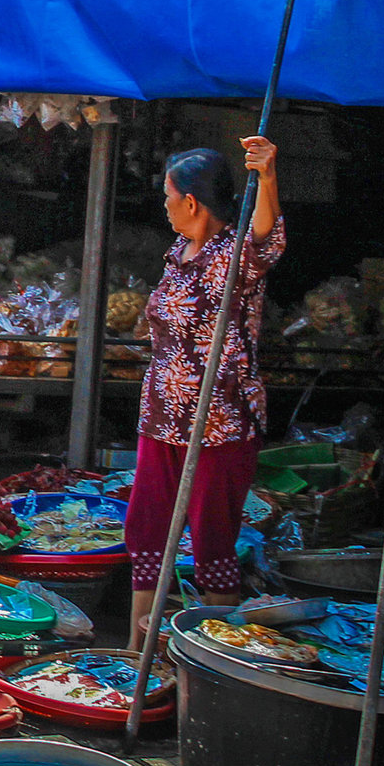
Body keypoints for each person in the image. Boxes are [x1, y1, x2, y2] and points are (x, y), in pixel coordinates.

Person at [125, 137, 283, 646]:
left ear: (191, 202)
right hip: (163, 414)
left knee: (213, 538)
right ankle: (136, 648)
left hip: (221, 420)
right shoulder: (179, 252)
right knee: (147, 527)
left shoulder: (235, 256)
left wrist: (268, 174)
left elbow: (265, 235)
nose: (164, 204)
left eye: (168, 195)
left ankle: (224, 654)